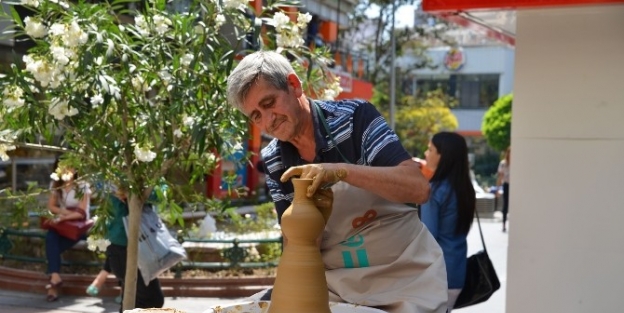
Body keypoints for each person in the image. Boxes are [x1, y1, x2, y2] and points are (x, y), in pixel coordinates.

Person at [226, 50, 447, 313]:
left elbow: (418, 188)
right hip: (338, 289)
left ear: (294, 85)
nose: (268, 121)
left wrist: (342, 171)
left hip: (405, 276)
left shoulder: (355, 120)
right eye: (256, 116)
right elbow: (298, 244)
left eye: (269, 103)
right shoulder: (275, 159)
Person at [419, 132, 476, 311]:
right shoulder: (465, 189)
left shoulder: (435, 190)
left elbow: (429, 237)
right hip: (457, 271)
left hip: (437, 274)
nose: (426, 154)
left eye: (430, 149)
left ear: (443, 155)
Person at [104, 187, 164, 313]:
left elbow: (160, 193)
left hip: (142, 241)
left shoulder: (148, 171)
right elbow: (97, 184)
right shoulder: (108, 174)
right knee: (146, 300)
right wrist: (117, 192)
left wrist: (137, 193)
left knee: (137, 301)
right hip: (120, 243)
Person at [44, 164, 91, 302]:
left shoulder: (83, 185)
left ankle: (53, 286)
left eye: (70, 167)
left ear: (75, 169)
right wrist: (66, 214)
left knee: (52, 247)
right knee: (51, 237)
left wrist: (64, 216)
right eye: (63, 167)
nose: (67, 170)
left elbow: (81, 212)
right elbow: (51, 206)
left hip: (79, 226)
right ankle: (55, 278)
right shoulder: (55, 184)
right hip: (63, 224)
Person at [497, 147, 511, 232]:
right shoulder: (503, 163)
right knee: (505, 204)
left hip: (515, 186)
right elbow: (500, 176)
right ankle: (504, 224)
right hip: (506, 184)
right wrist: (498, 188)